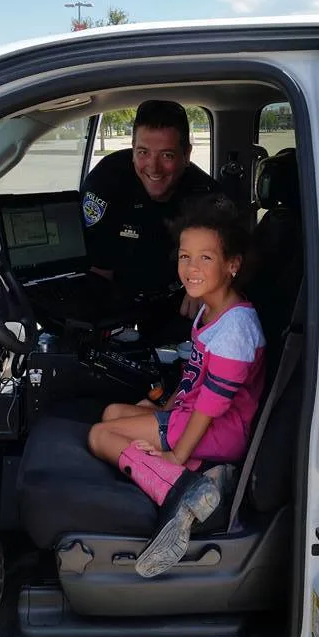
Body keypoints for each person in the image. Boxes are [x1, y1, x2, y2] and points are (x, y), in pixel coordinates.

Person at [87, 195, 266, 578]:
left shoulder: (235, 330)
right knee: (113, 412)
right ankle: (204, 473)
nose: (191, 268)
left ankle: (179, 488)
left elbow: (212, 405)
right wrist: (165, 409)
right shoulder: (211, 309)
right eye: (185, 257)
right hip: (196, 416)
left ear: (232, 264)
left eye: (206, 258)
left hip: (218, 429)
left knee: (100, 436)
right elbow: (193, 378)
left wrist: (176, 454)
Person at [80, 100, 221, 320]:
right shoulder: (107, 182)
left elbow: (241, 258)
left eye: (167, 155)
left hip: (182, 300)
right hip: (117, 297)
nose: (154, 168)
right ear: (132, 149)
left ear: (186, 154)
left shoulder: (205, 195)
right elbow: (99, 271)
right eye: (143, 152)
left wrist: (211, 287)